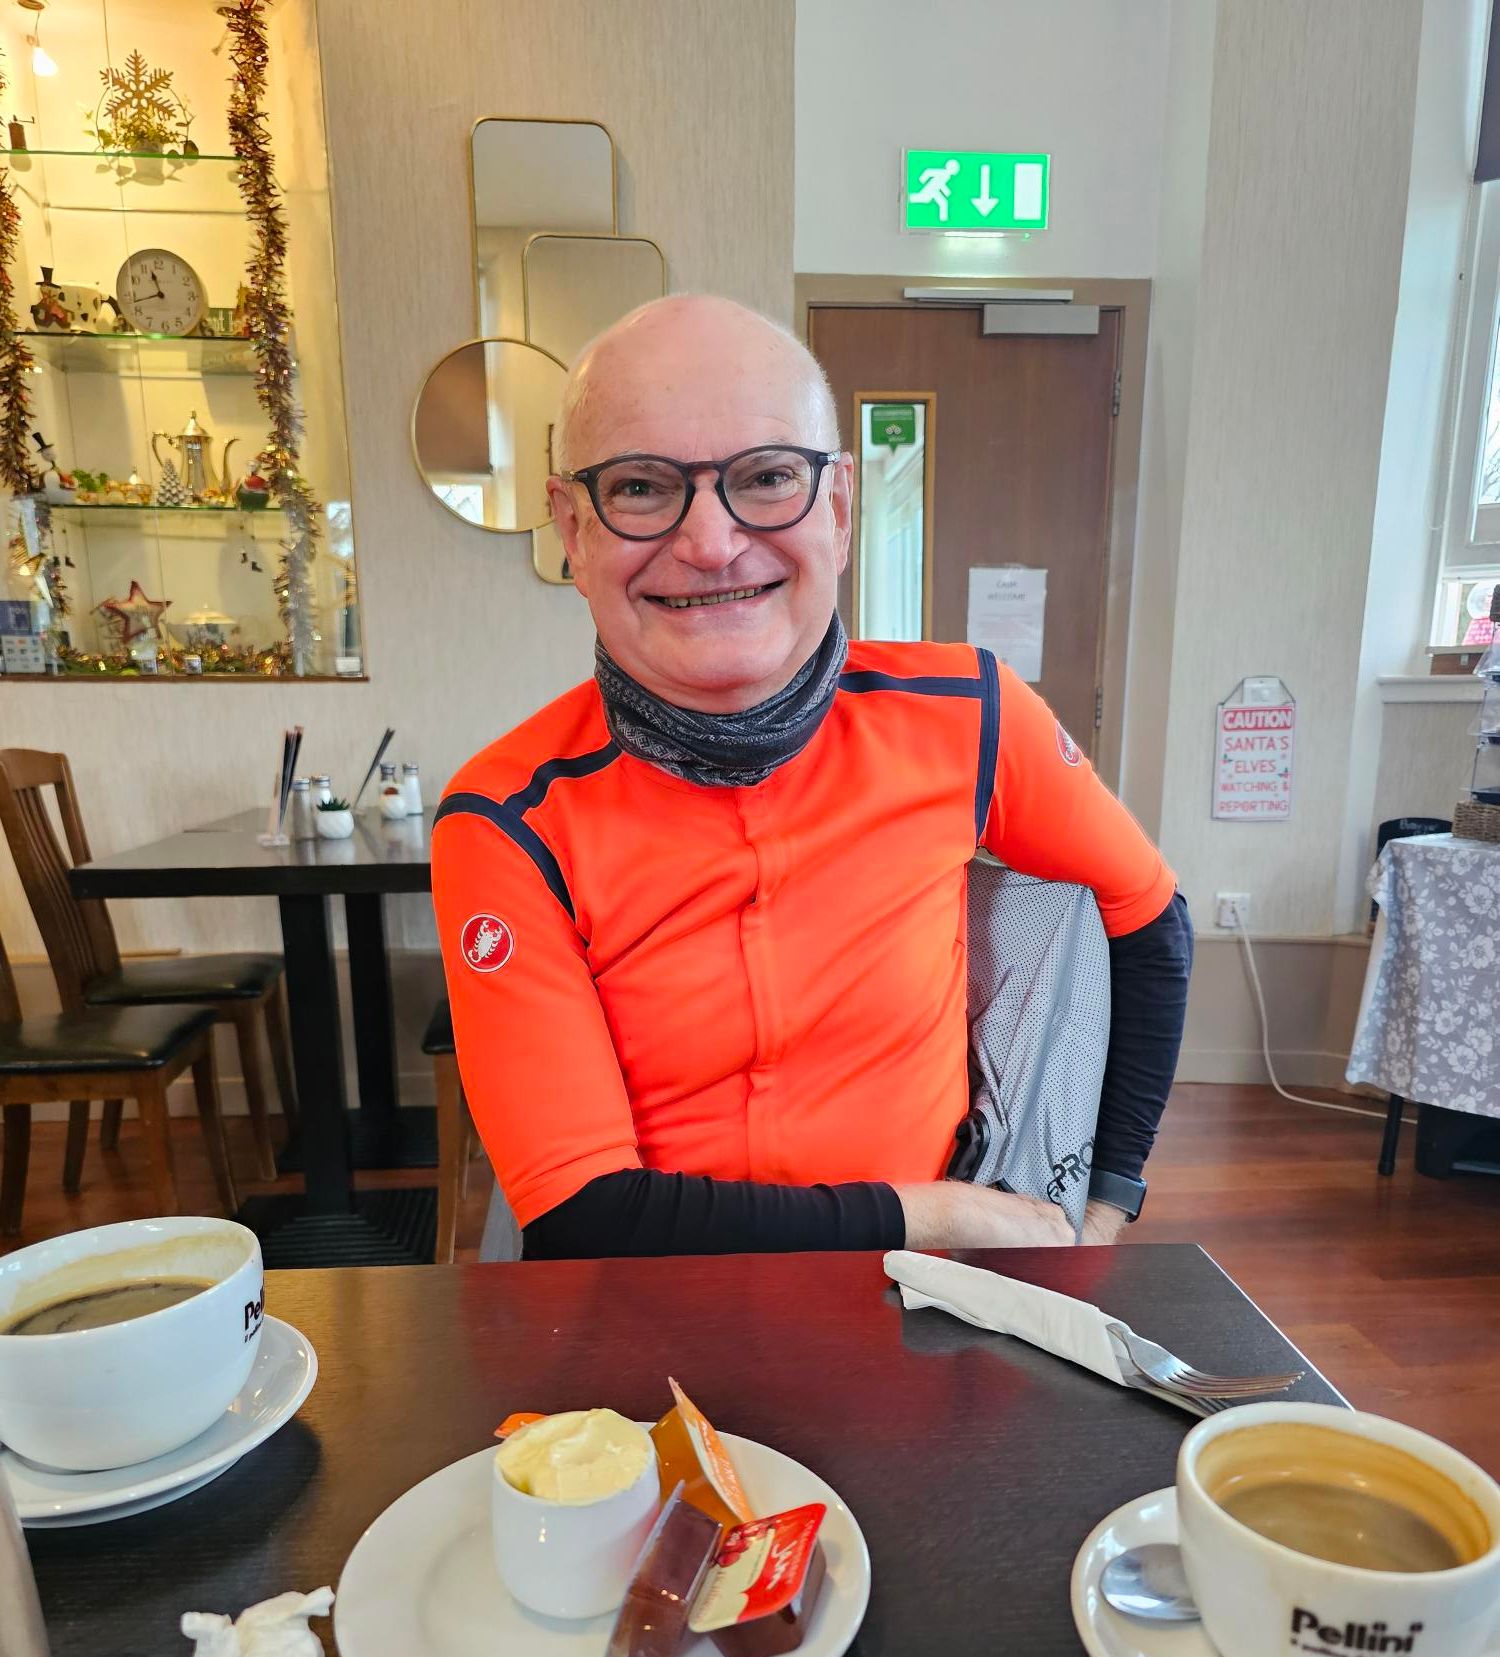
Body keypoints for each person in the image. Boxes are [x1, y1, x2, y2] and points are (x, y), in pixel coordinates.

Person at [432, 296, 1191, 1259]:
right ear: (574, 531)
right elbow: (586, 1216)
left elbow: (1150, 915)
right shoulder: (505, 820)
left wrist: (1108, 1202)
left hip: (932, 1308)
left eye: (767, 477)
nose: (711, 545)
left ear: (837, 511)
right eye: (641, 488)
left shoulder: (971, 715)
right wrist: (934, 1215)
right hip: (657, 1309)